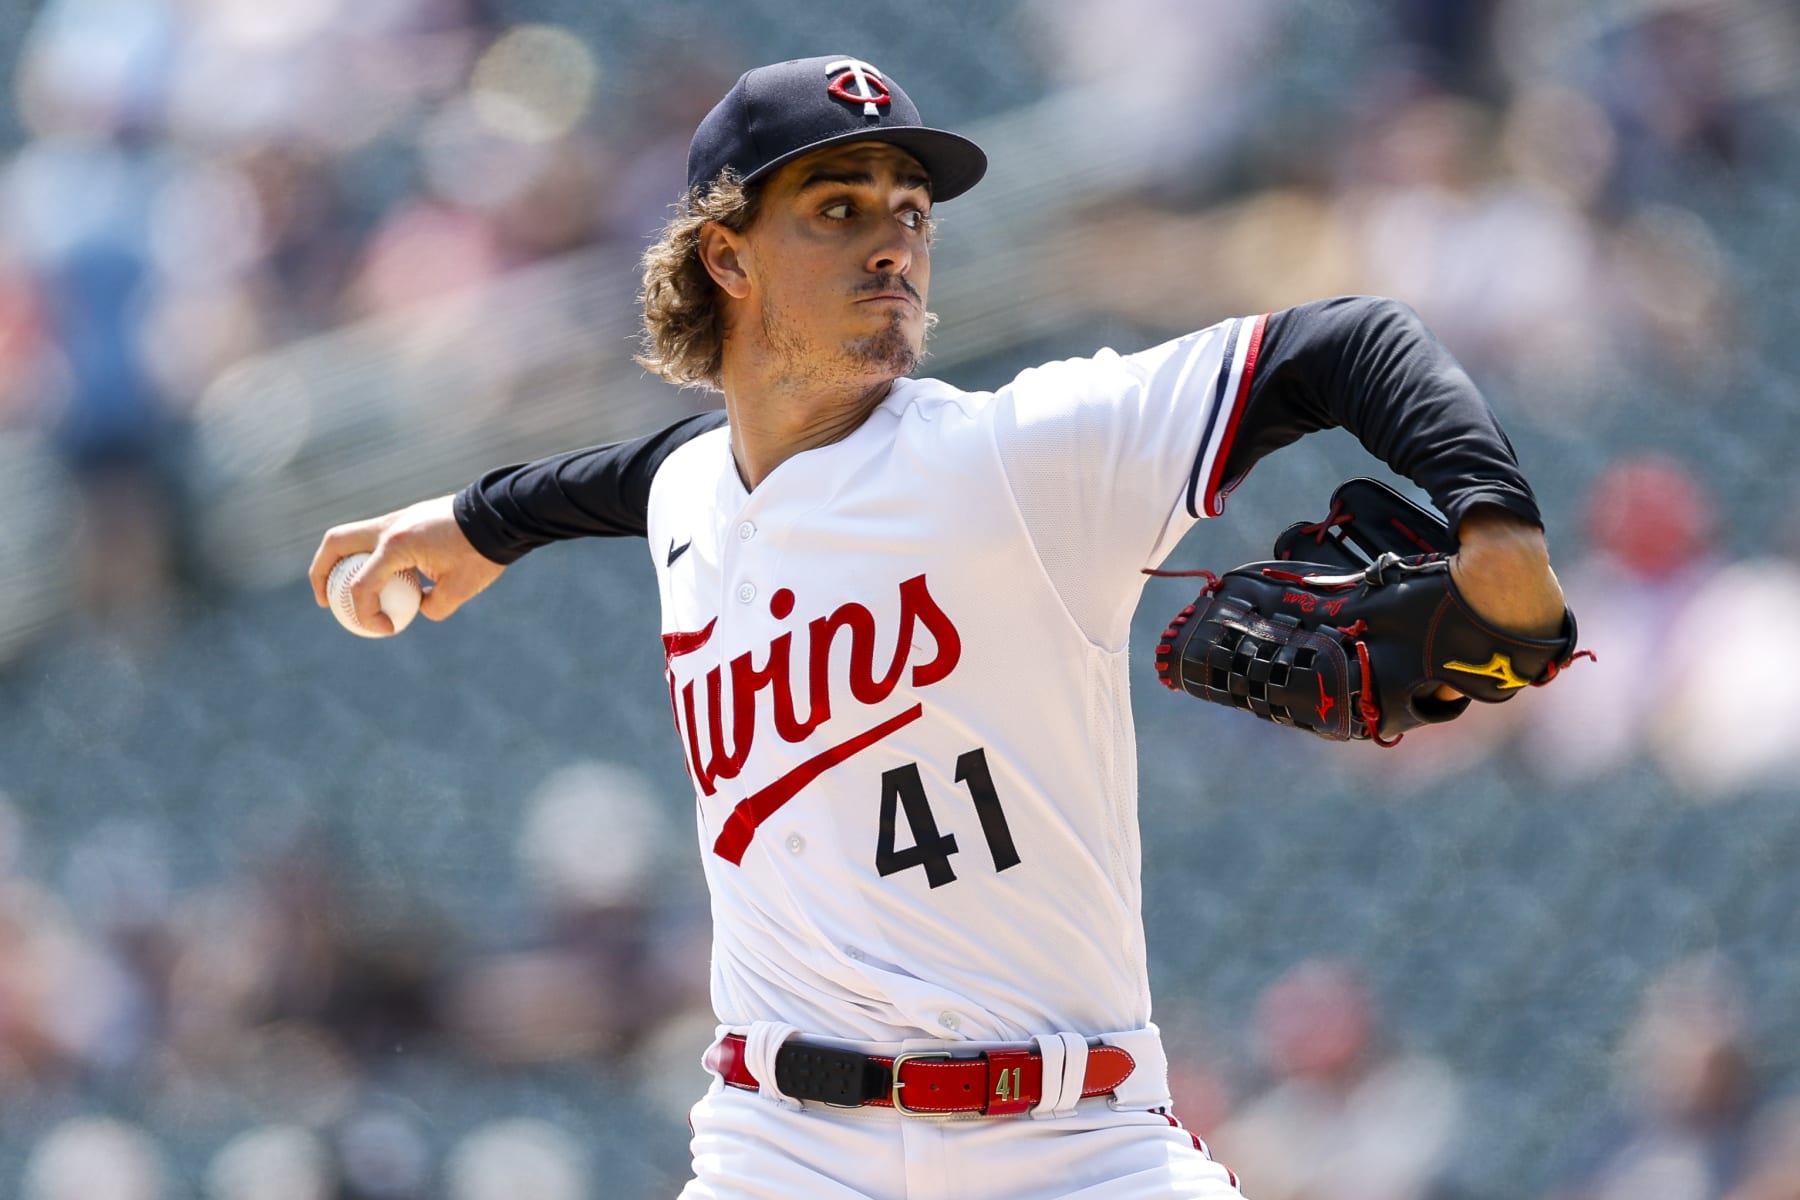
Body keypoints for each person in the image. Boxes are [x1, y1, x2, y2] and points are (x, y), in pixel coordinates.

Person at [309, 53, 1566, 1200]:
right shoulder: (694, 488)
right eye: (838, 207)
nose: (893, 242)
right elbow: (637, 475)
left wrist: (1496, 523)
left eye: (909, 209)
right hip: (778, 1147)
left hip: (1073, 1145)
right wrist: (476, 523)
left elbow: (1347, 342)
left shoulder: (1017, 456)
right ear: (725, 257)